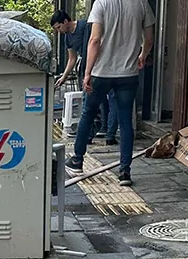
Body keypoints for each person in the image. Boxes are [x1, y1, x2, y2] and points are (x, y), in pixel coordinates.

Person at [66, 0, 154, 187]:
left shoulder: (101, 3)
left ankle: (77, 160)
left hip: (101, 73)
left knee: (88, 114)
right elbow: (149, 39)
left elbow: (94, 40)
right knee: (125, 122)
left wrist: (87, 72)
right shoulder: (142, 4)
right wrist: (142, 56)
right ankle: (124, 172)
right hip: (128, 73)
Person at [51, 10, 117, 144]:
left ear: (65, 21)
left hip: (100, 66)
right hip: (86, 68)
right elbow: (72, 58)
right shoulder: (67, 37)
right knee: (90, 100)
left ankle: (105, 130)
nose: (59, 30)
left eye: (59, 27)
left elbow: (96, 42)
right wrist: (64, 76)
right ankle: (92, 131)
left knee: (103, 99)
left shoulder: (85, 25)